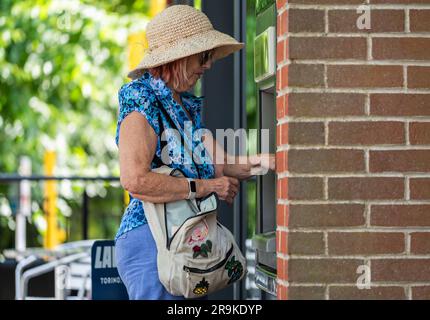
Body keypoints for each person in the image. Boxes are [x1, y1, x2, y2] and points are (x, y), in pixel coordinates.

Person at [114, 5, 275, 300]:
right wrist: (206, 187)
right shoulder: (141, 103)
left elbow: (222, 166)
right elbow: (135, 180)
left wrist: (275, 162)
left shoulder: (185, 108)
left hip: (182, 238)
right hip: (152, 240)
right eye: (204, 56)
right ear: (180, 56)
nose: (209, 65)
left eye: (210, 55)